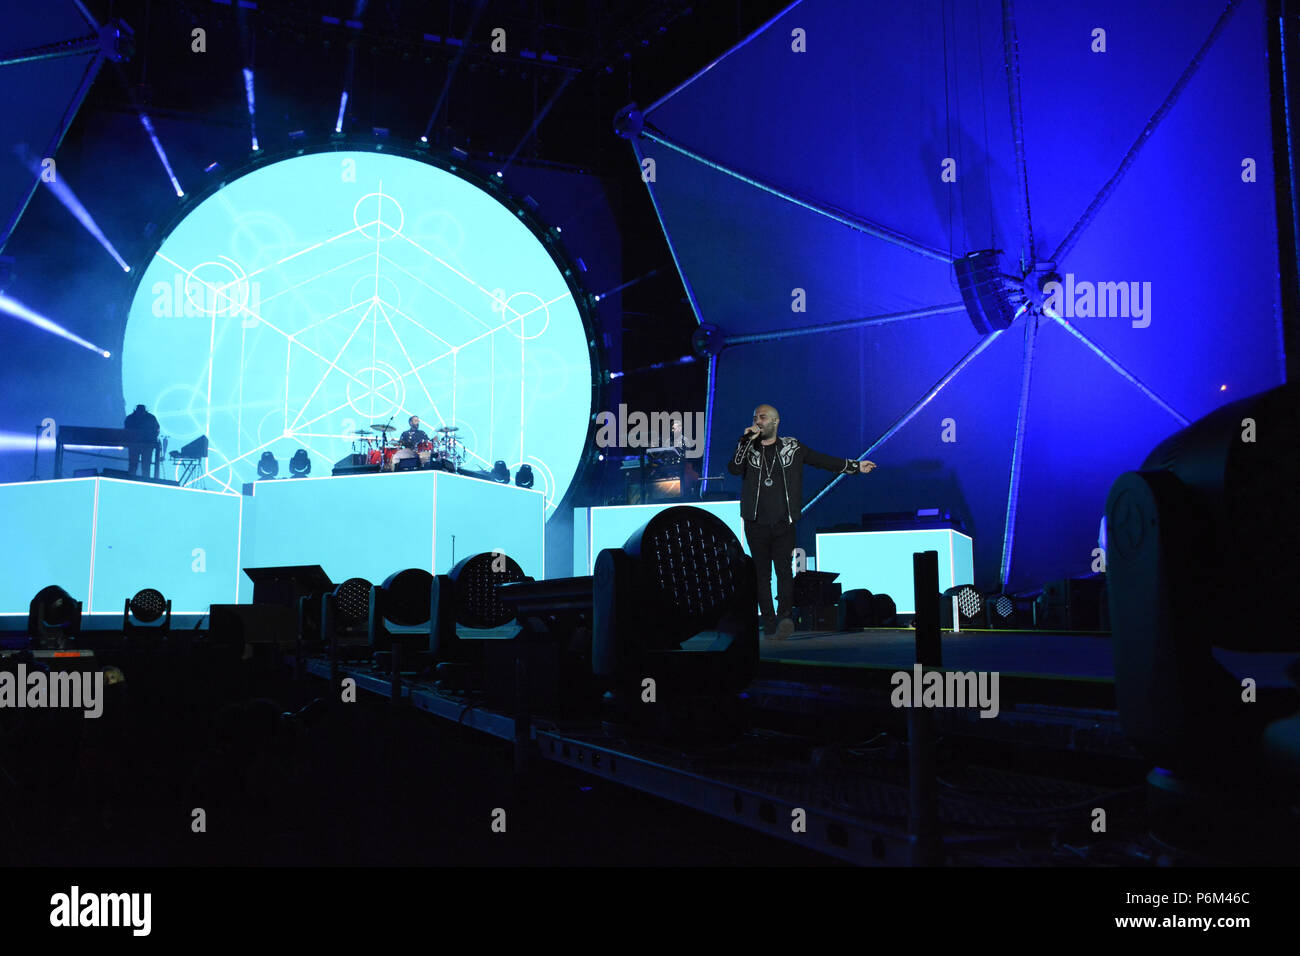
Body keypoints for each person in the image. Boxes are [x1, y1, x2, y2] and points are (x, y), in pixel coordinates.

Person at [728, 404, 876, 639]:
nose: (757, 421)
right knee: (760, 574)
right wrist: (745, 441)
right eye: (755, 416)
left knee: (784, 572)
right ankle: (768, 623)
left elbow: (821, 460)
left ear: (776, 421)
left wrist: (854, 466)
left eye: (763, 417)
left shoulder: (792, 447)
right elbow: (734, 468)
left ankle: (785, 618)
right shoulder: (748, 447)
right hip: (755, 521)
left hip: (783, 520)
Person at [123, 404, 161, 477]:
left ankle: (131, 480)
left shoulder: (130, 418)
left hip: (139, 445)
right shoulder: (151, 418)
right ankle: (145, 481)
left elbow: (126, 430)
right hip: (145, 445)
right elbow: (157, 430)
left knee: (134, 465)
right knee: (144, 466)